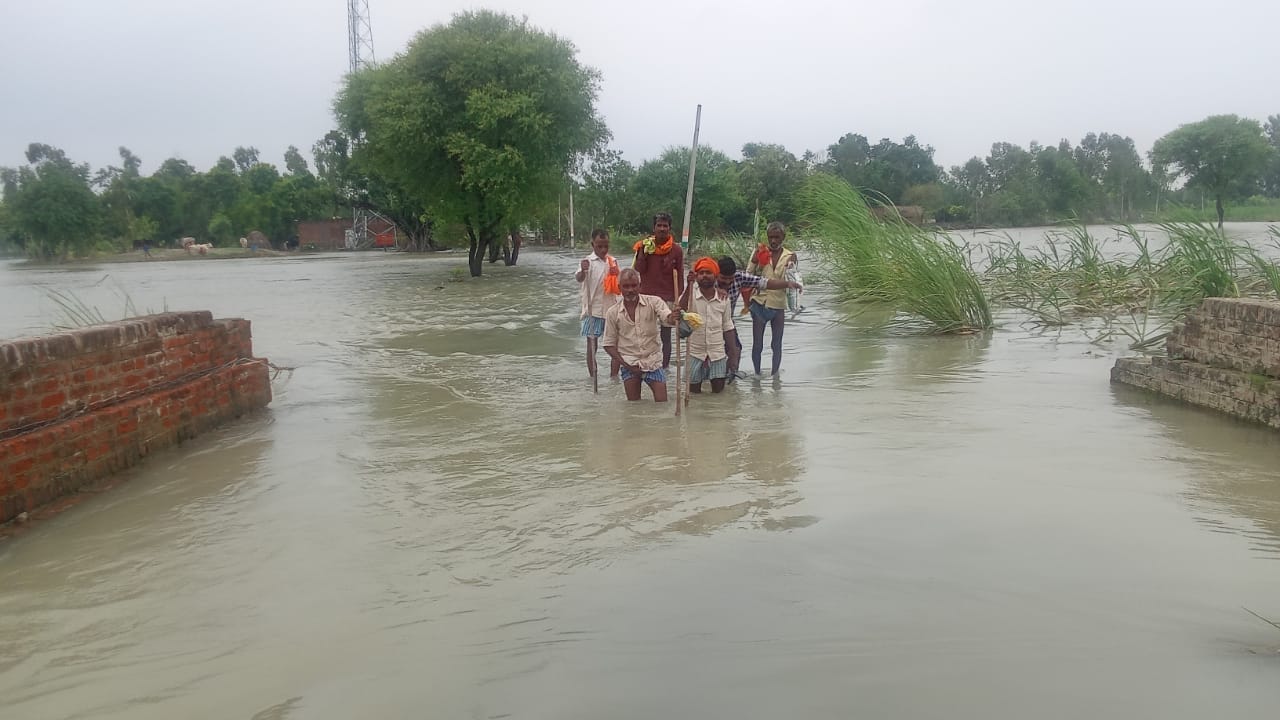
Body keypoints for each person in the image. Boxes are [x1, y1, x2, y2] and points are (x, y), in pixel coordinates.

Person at [716, 256, 802, 380]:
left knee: (735, 350)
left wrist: (787, 283)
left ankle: (730, 379)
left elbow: (765, 283)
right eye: (723, 278)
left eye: (730, 278)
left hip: (728, 322)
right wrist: (715, 290)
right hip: (708, 323)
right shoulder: (709, 280)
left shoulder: (739, 277)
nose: (728, 282)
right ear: (717, 274)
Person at [602, 268, 681, 402]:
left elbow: (666, 317)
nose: (630, 290)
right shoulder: (613, 312)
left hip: (653, 362)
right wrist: (627, 365)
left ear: (640, 286)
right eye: (626, 286)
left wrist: (673, 317)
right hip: (629, 364)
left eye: (634, 286)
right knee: (634, 407)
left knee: (662, 404)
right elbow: (608, 345)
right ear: (619, 288)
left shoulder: (654, 302)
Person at [678, 257, 738, 394]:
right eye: (701, 273)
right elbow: (680, 309)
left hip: (717, 353)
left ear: (715, 276)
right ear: (697, 277)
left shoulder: (723, 299)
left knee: (719, 394)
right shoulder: (690, 295)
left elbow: (728, 326)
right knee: (693, 395)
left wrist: (733, 354)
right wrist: (689, 285)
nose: (704, 275)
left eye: (708, 272)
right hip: (694, 352)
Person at [632, 212, 685, 368]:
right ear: (654, 228)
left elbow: (680, 276)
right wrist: (642, 252)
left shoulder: (676, 250)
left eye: (665, 226)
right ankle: (645, 364)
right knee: (644, 334)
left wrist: (678, 300)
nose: (662, 228)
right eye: (659, 225)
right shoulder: (645, 246)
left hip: (667, 297)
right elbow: (639, 269)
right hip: (646, 297)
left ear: (669, 228)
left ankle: (664, 368)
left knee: (666, 336)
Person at [747, 222, 798, 376]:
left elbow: (793, 279)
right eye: (771, 237)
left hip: (779, 303)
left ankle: (775, 376)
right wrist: (755, 260)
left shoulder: (790, 255)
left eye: (777, 237)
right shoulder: (760, 251)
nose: (773, 241)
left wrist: (792, 266)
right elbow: (748, 275)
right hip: (759, 301)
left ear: (783, 237)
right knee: (757, 344)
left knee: (777, 343)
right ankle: (757, 375)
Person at [575, 228, 622, 380]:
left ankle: (614, 378)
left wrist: (616, 274)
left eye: (606, 246)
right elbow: (579, 279)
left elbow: (620, 286)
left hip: (611, 310)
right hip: (592, 311)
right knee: (592, 346)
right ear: (592, 245)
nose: (603, 249)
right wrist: (583, 271)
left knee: (615, 346)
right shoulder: (587, 262)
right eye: (599, 246)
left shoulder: (613, 262)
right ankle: (593, 377)